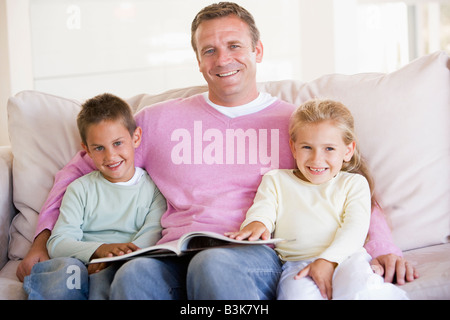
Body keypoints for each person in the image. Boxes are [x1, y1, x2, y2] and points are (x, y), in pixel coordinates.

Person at [18, 2, 417, 299]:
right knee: (132, 277)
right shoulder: (156, 121)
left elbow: (351, 181)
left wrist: (382, 247)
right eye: (209, 50)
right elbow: (79, 170)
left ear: (257, 51)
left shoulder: (296, 124)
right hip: (170, 248)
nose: (223, 59)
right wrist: (41, 240)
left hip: (248, 253)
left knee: (213, 265)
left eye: (234, 45)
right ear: (197, 60)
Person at [227, 100, 409, 300]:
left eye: (329, 149)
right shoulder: (276, 179)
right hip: (297, 265)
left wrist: (328, 260)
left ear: (348, 151)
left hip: (346, 259)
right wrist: (256, 223)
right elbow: (263, 209)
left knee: (362, 292)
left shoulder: (354, 184)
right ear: (293, 148)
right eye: (307, 147)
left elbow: (355, 229)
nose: (316, 159)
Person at [23, 93, 166, 299]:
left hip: (126, 263)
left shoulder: (153, 189)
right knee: (66, 271)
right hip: (82, 263)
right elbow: (58, 242)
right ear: (87, 150)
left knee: (130, 273)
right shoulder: (79, 189)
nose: (110, 156)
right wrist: (100, 251)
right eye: (99, 148)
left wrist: (113, 259)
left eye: (118, 143)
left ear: (135, 138)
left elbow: (152, 235)